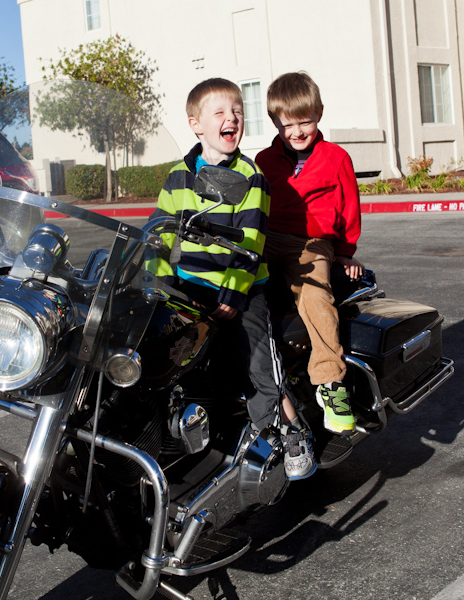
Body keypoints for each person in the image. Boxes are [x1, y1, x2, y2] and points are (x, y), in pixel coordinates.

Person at [149, 78, 315, 480]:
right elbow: (160, 230)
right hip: (188, 286)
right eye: (220, 112)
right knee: (155, 349)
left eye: (237, 111)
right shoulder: (177, 176)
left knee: (258, 357)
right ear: (196, 124)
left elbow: (253, 240)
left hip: (239, 289)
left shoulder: (251, 176)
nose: (232, 119)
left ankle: (288, 429)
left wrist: (234, 292)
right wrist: (156, 278)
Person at [256, 71, 363, 436]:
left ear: (319, 113)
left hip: (312, 243)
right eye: (289, 125)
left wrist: (344, 253)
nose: (298, 132)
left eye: (307, 122)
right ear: (274, 121)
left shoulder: (336, 158)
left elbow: (350, 208)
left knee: (315, 294)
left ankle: (331, 382)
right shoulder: (263, 160)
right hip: (269, 237)